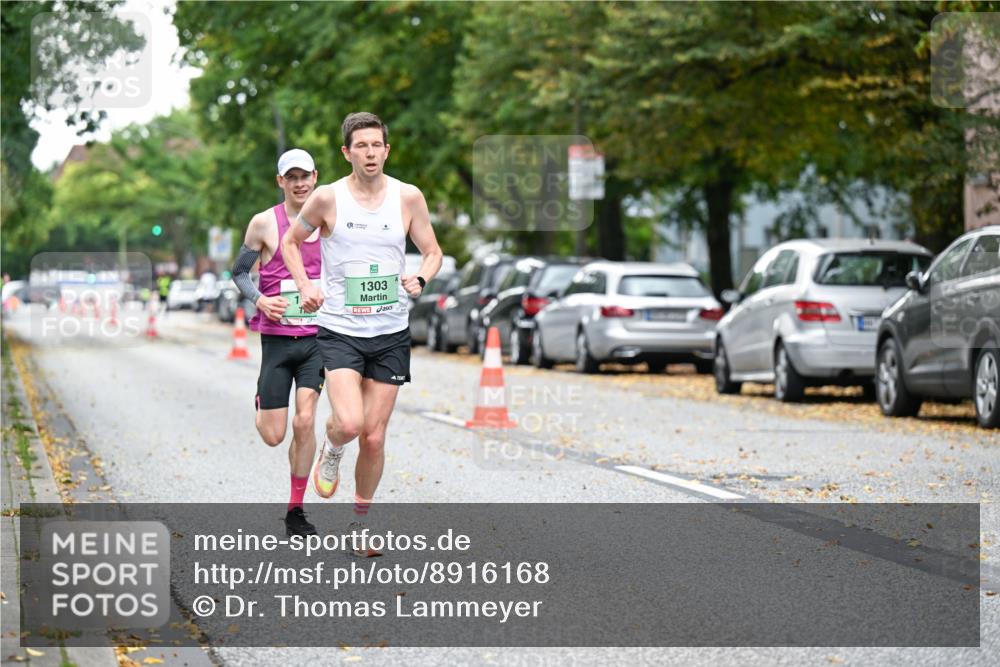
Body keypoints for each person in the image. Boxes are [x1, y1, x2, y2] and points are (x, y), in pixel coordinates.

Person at [282, 112, 442, 556]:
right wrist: (305, 286)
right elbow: (291, 242)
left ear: (386, 151)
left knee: (373, 435)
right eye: (361, 146)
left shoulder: (408, 197)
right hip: (341, 330)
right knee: (350, 424)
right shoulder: (327, 198)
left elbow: (432, 251)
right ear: (346, 152)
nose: (370, 153)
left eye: (376, 145)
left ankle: (360, 525)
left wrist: (421, 278)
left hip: (391, 331)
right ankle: (332, 447)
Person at [232, 148, 325, 537]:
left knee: (306, 421)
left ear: (315, 177)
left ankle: (295, 510)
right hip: (277, 341)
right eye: (292, 177)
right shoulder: (263, 223)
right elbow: (239, 273)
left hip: (317, 341)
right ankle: (262, 400)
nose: (300, 183)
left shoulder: (331, 220)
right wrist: (259, 300)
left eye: (305, 176)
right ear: (281, 181)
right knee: (274, 435)